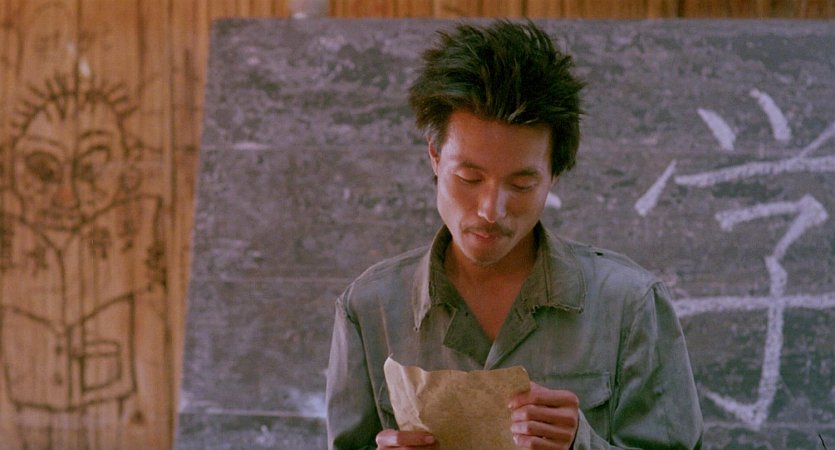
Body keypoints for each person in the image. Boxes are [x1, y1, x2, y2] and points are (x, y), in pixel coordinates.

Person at [326, 20, 703, 449]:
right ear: (435, 156)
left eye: (522, 184)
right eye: (469, 178)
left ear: (554, 175)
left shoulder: (629, 305)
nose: (491, 210)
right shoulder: (369, 308)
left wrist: (581, 444)